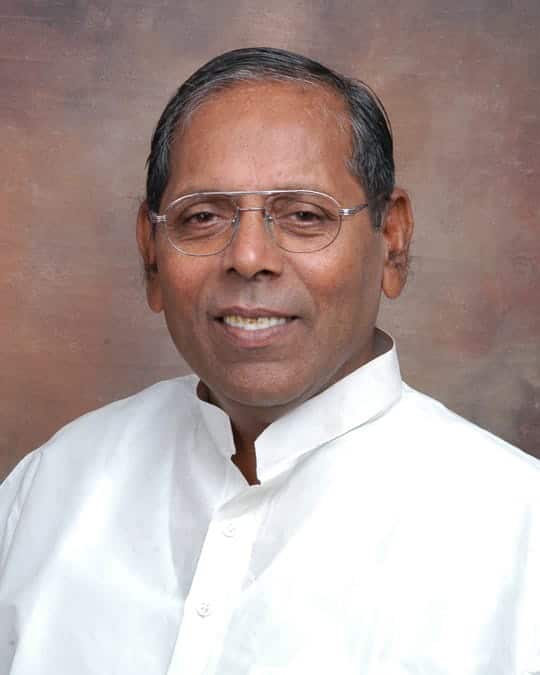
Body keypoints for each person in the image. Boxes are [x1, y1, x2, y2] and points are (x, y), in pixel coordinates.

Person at [0, 47, 538, 675]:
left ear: (392, 241)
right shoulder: (52, 488)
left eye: (305, 215)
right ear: (151, 253)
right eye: (203, 216)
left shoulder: (516, 533)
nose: (249, 257)